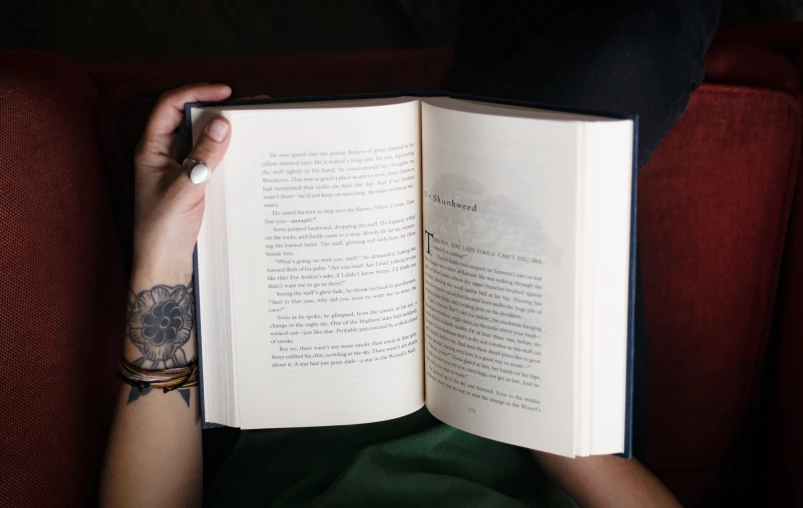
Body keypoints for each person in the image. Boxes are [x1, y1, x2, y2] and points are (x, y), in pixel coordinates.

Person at [100, 1, 721, 506]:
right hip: (533, 409)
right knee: (639, 45)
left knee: (529, 60)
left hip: (300, 367)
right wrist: (544, 412)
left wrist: (161, 258)